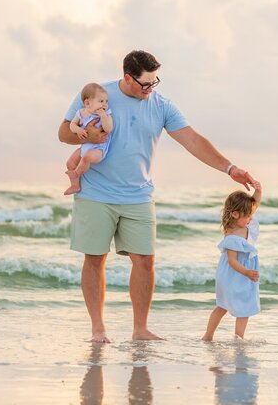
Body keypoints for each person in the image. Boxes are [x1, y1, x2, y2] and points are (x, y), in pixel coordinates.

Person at [58, 50, 256, 343]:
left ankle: (140, 329)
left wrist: (229, 168)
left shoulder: (162, 105)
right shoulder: (99, 95)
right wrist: (87, 136)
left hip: (139, 194)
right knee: (95, 259)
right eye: (145, 84)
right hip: (96, 192)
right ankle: (98, 328)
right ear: (128, 78)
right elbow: (64, 133)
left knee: (146, 261)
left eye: (155, 82)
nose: (150, 89)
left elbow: (193, 140)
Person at [202, 183, 263, 341]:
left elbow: (255, 203)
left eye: (251, 215)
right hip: (234, 273)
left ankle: (238, 338)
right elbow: (232, 261)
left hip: (240, 274)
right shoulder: (232, 235)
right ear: (235, 214)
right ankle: (208, 336)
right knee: (224, 306)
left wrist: (258, 190)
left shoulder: (245, 224)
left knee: (239, 306)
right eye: (247, 216)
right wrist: (247, 272)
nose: (250, 219)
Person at [63, 83, 114, 195]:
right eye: (101, 101)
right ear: (87, 103)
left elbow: (108, 128)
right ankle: (75, 185)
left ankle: (77, 173)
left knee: (86, 158)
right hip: (85, 146)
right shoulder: (81, 113)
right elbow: (72, 125)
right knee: (70, 162)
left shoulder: (106, 114)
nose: (105, 104)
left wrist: (103, 116)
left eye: (106, 101)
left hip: (99, 148)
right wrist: (78, 130)